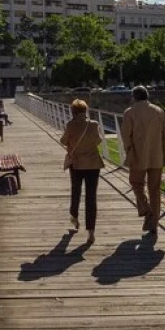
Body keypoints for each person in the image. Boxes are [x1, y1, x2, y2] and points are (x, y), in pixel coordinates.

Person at [120, 85, 165, 237]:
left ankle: (146, 209)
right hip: (156, 155)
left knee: (136, 183)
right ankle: (154, 223)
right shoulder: (158, 111)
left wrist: (129, 150)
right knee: (155, 189)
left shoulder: (130, 113)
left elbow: (126, 135)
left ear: (134, 97)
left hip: (137, 155)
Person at [59, 99, 104, 245]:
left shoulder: (70, 125)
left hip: (77, 164)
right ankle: (91, 231)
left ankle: (74, 216)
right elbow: (98, 141)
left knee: (76, 191)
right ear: (86, 110)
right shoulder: (94, 124)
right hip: (93, 164)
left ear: (73, 111)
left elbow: (63, 141)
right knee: (91, 197)